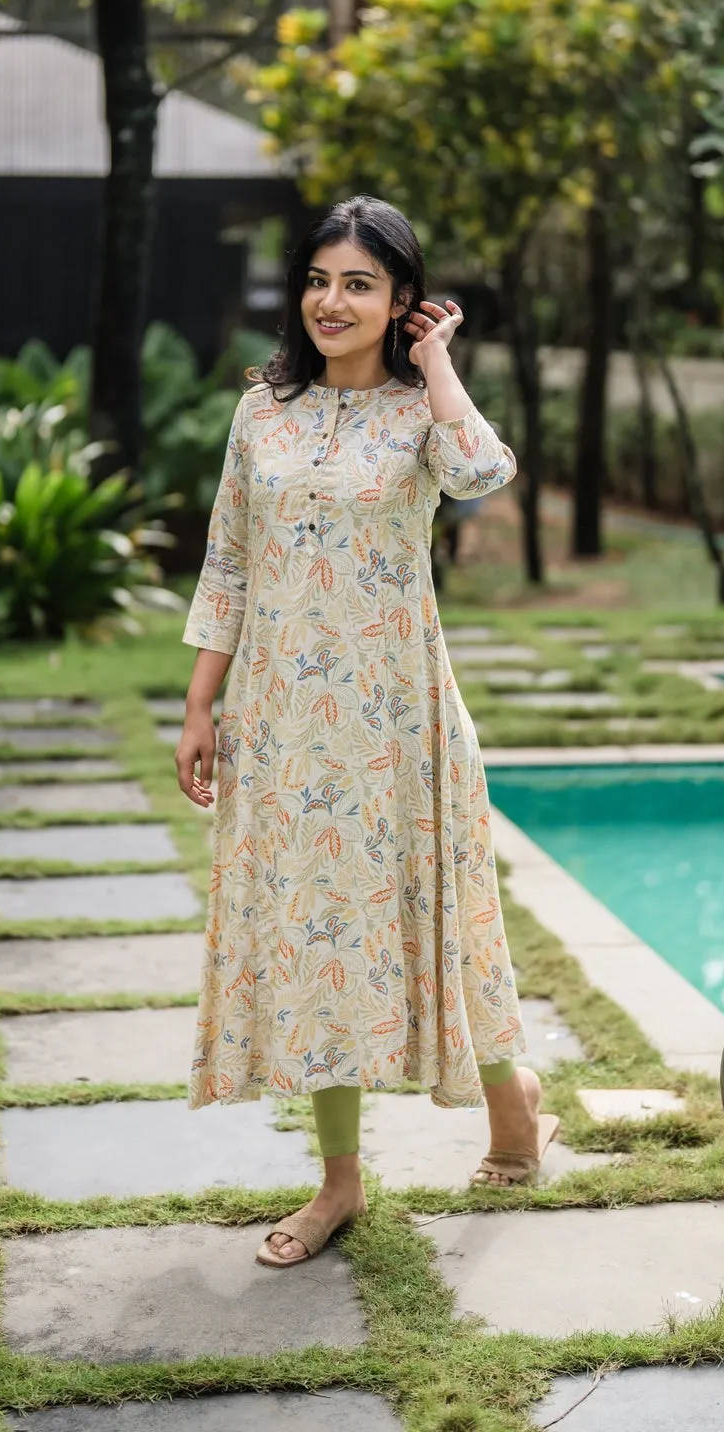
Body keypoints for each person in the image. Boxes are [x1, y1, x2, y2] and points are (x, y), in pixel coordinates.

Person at [174, 195, 555, 1269]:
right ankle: (338, 1181)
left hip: (398, 721)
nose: (330, 302)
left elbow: (484, 473)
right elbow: (228, 559)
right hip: (282, 725)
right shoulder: (262, 412)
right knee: (317, 942)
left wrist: (435, 366)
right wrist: (201, 703)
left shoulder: (418, 414)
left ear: (401, 301)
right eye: (317, 280)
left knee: (437, 922)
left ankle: (512, 1104)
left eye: (359, 284)